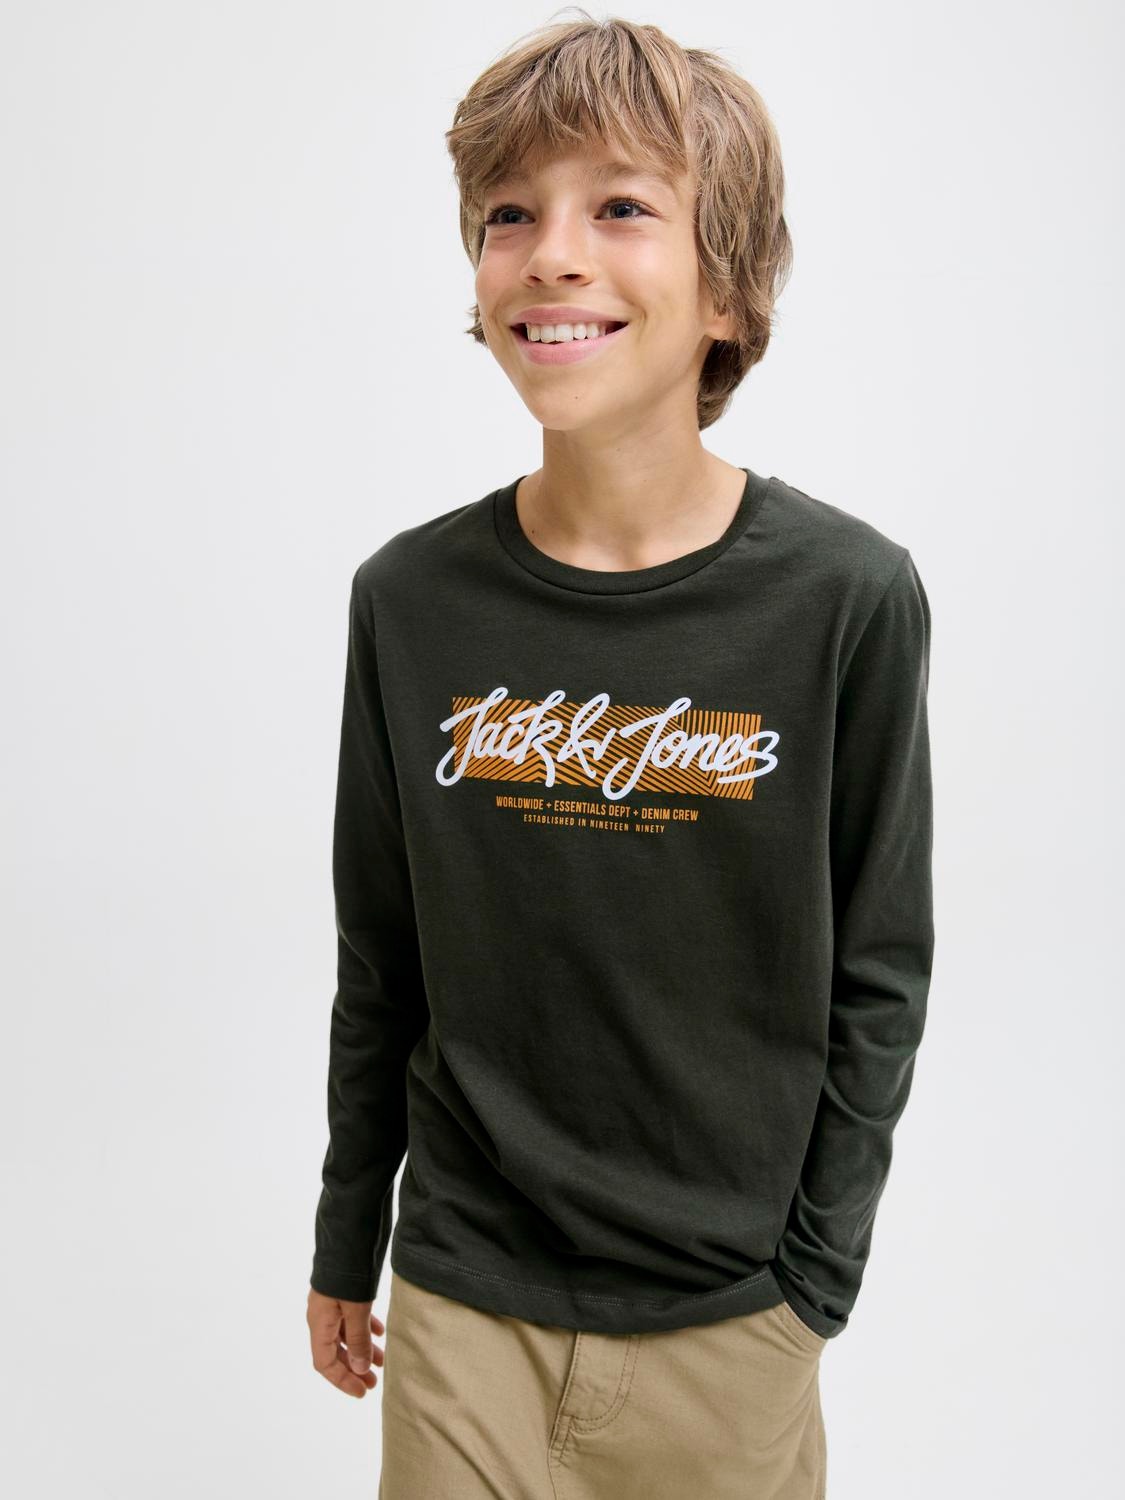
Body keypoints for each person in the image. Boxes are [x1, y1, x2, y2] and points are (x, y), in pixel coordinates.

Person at [305, 14, 934, 1499]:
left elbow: (879, 971)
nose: (552, 255)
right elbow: (381, 955)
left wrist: (810, 1284)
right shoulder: (411, 600)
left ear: (730, 286)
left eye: (622, 207)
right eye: (508, 215)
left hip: (731, 1321)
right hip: (462, 1300)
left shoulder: (845, 599)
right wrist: (347, 1239)